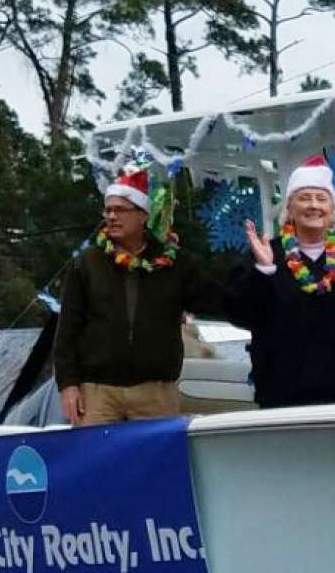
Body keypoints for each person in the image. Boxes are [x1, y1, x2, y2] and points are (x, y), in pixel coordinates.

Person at [222, 154, 335, 409]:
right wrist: (263, 271)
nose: (314, 205)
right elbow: (241, 315)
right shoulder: (267, 252)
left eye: (322, 199)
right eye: (304, 198)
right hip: (282, 396)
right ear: (289, 208)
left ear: (333, 210)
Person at [54, 167, 219, 425]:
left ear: (142, 214)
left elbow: (212, 300)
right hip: (98, 393)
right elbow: (66, 331)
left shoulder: (175, 263)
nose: (111, 217)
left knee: (155, 464)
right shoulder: (86, 263)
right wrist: (68, 385)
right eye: (107, 210)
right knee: (97, 462)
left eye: (120, 210)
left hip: (155, 392)